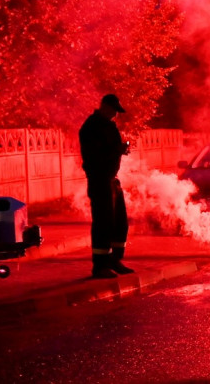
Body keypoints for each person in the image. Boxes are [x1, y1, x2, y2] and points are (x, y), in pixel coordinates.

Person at [79, 93, 133, 279]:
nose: (115, 114)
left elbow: (111, 149)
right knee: (104, 223)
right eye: (114, 110)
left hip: (112, 179)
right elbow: (96, 154)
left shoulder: (109, 126)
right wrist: (117, 149)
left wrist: (121, 149)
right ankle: (100, 265)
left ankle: (114, 260)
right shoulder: (91, 127)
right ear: (105, 106)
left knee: (120, 222)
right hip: (99, 179)